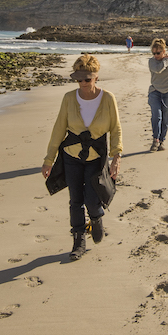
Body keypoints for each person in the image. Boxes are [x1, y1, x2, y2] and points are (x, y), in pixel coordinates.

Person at [41, 53, 123, 260]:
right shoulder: (69, 98)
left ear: (96, 77)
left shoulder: (108, 98)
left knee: (92, 200)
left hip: (96, 157)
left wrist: (116, 157)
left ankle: (96, 218)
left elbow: (116, 129)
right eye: (78, 79)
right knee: (75, 200)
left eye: (87, 79)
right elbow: (59, 129)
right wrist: (48, 160)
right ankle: (78, 241)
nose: (83, 83)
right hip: (71, 157)